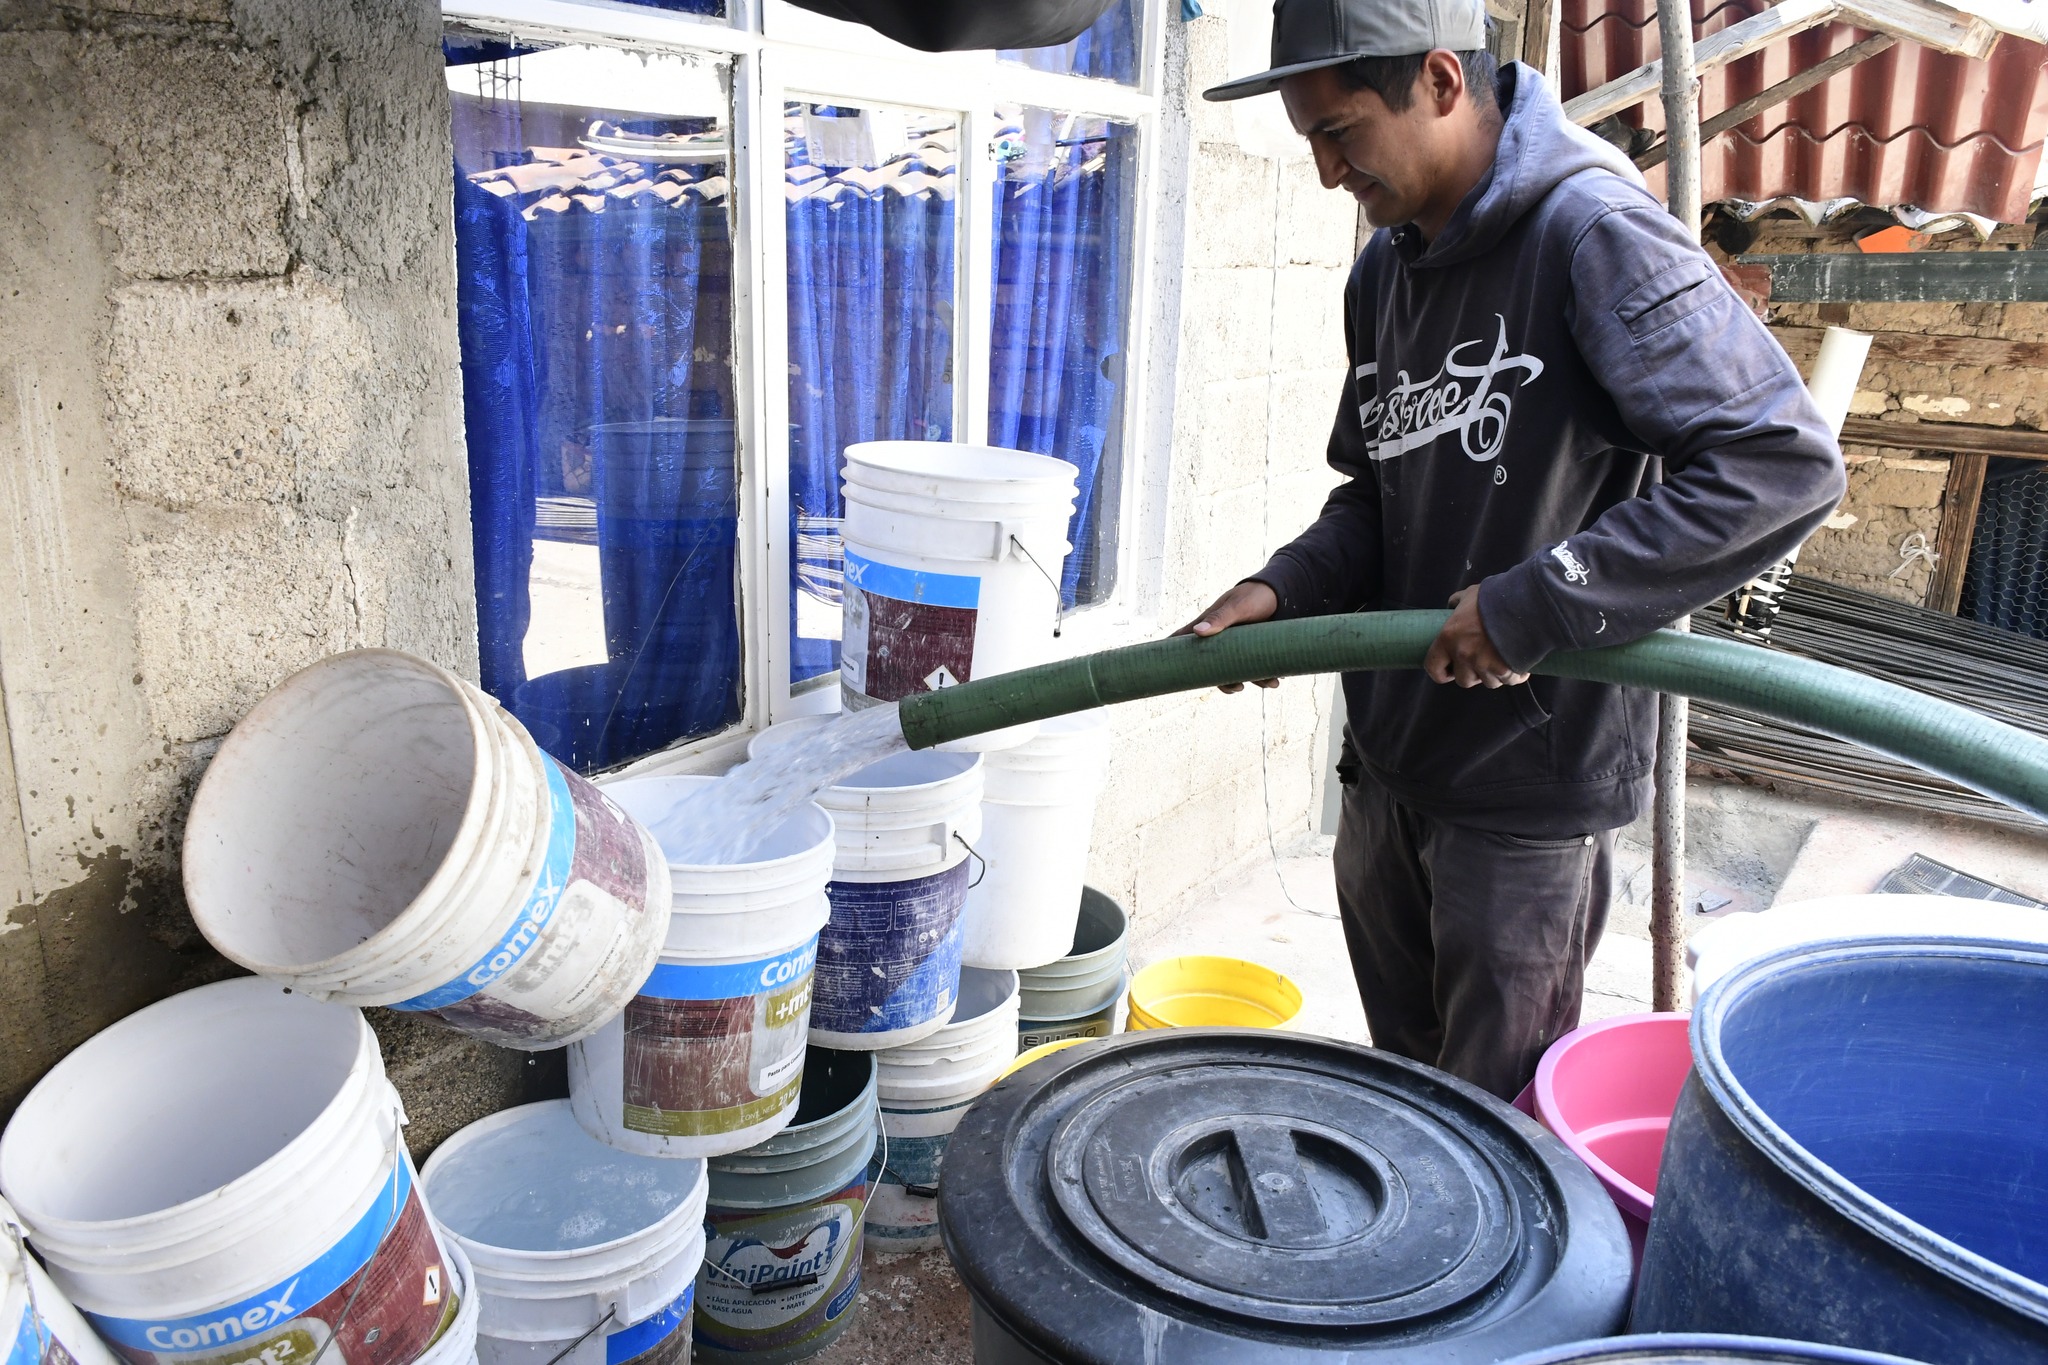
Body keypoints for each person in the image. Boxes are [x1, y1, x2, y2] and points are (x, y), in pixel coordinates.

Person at [1184, 0, 1846, 1099]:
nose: (1322, 173)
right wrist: (1282, 587)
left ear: (1441, 82)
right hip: (1388, 765)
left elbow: (1779, 467)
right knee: (1406, 1108)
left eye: (1339, 133)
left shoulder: (1590, 234)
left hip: (1522, 798)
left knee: (1492, 1131)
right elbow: (1376, 496)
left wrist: (1538, 604)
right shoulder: (1384, 271)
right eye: (1306, 140)